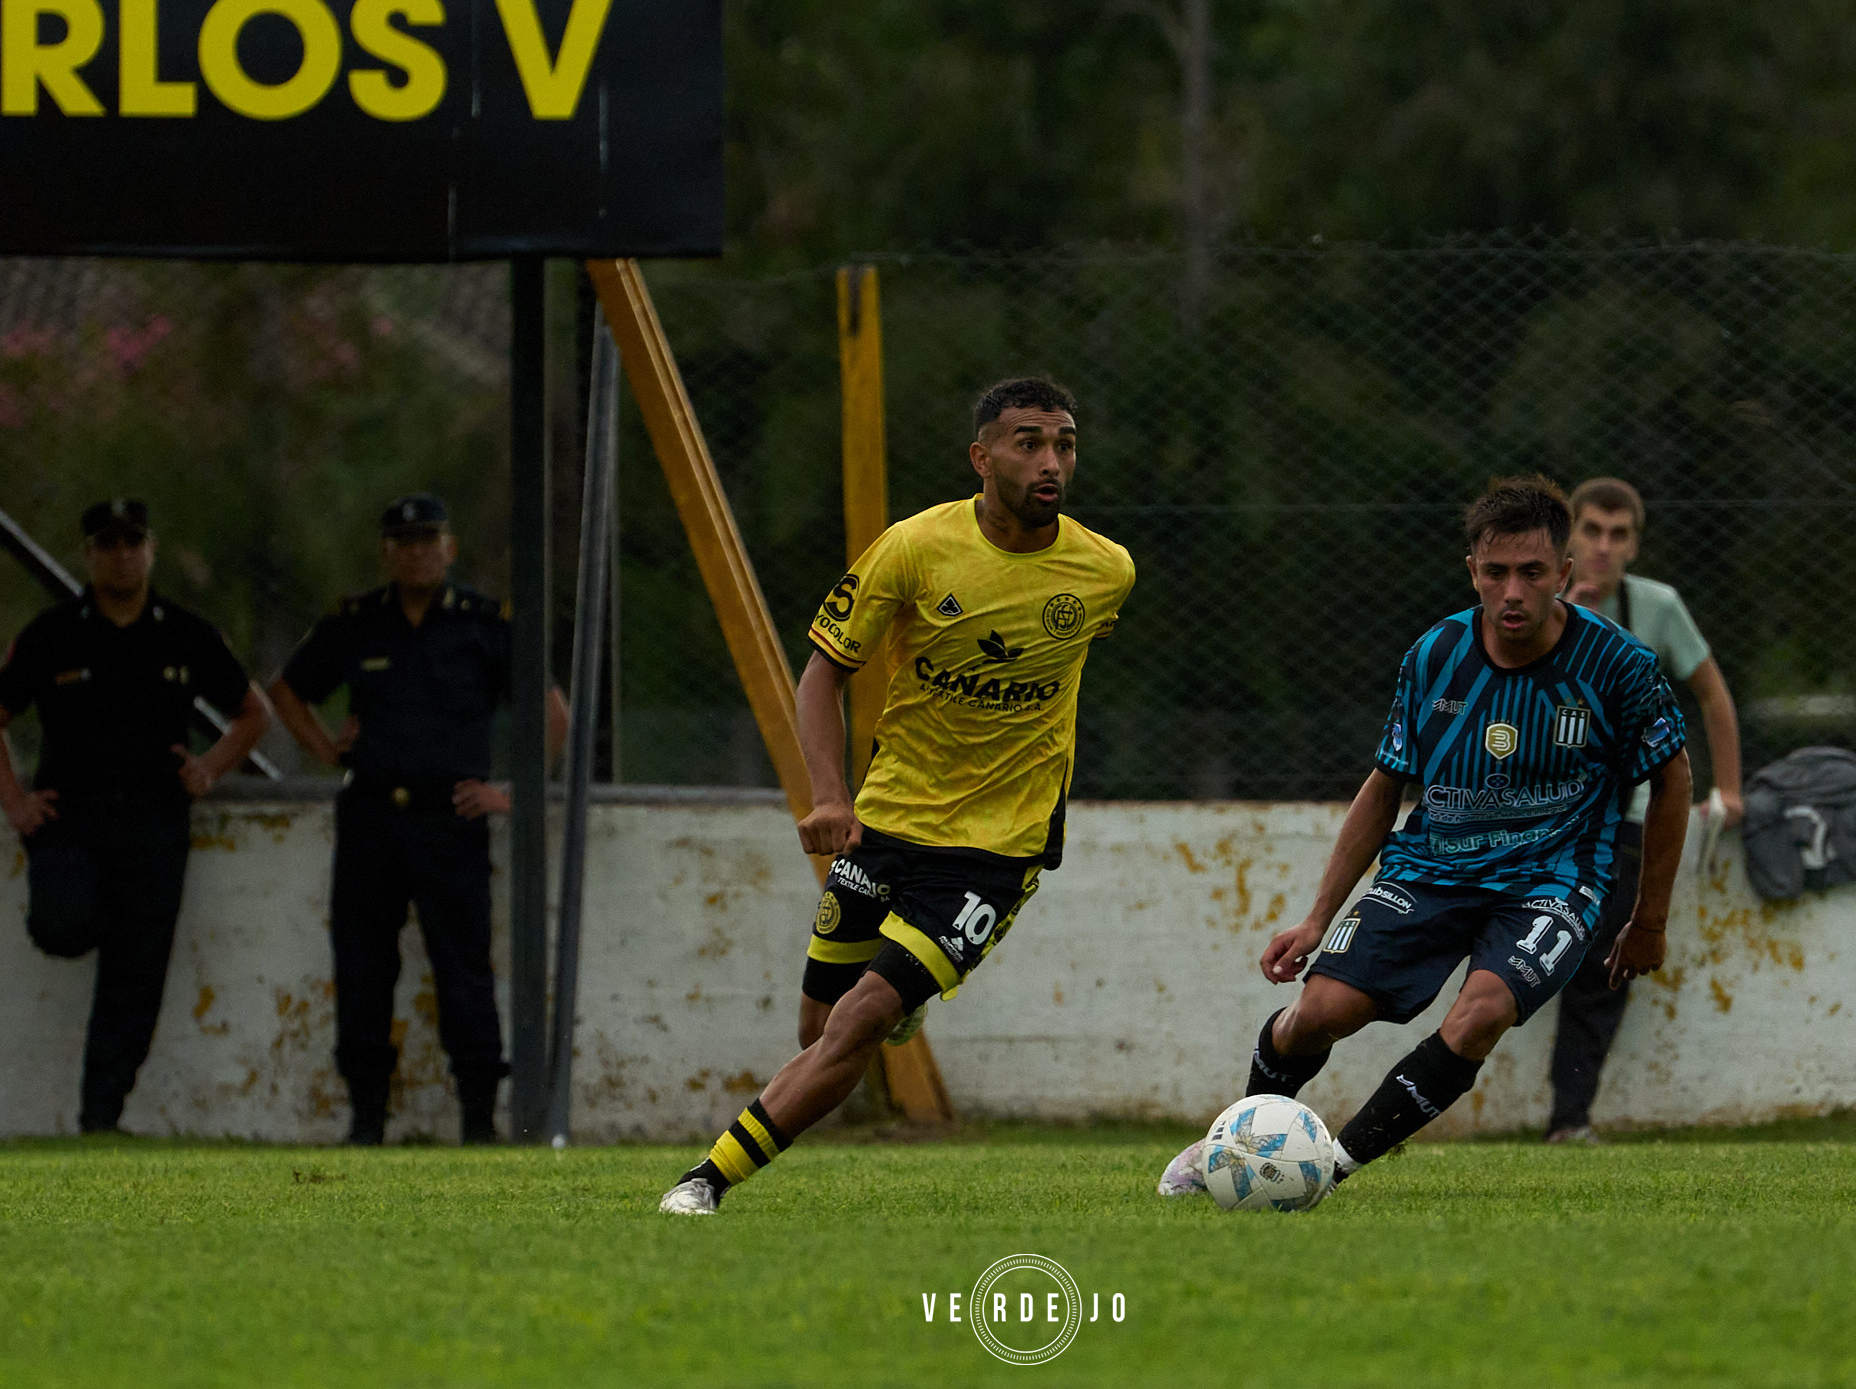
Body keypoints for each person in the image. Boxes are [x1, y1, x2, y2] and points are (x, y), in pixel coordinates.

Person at [658, 375, 1136, 1215]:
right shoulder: (912, 549)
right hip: (888, 820)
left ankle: (705, 1181)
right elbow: (823, 673)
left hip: (999, 847)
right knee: (818, 1028)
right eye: (1028, 443)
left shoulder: (1105, 571)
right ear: (981, 458)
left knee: (859, 1020)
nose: (1051, 462)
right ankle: (900, 1005)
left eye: (1064, 444)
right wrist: (831, 797)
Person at [1158, 476, 1690, 1197]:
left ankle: (1327, 1171)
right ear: (1472, 571)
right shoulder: (1434, 655)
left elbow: (1674, 778)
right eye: (1495, 572)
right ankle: (1236, 1142)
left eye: (1532, 573)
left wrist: (1649, 919)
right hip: (1431, 870)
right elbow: (1386, 784)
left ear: (1564, 574)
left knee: (1481, 1013)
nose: (1512, 592)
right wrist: (1316, 918)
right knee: (1318, 1013)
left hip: (1555, 879)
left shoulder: (1618, 664)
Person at [268, 494, 566, 1147]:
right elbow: (285, 691)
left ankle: (479, 1119)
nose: (417, 553)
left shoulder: (484, 624)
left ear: (450, 550)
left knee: (463, 968)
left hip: (449, 819)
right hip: (371, 816)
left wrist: (513, 795)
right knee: (363, 966)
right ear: (386, 554)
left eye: (429, 541)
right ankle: (366, 1119)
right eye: (404, 543)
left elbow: (552, 713)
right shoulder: (357, 623)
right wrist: (326, 750)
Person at [0, 498, 272, 1132]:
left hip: (154, 822)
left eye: (132, 543)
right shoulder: (52, 634)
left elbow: (254, 713)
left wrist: (210, 767)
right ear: (88, 555)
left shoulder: (185, 633)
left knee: (138, 974)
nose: (122, 556)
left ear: (150, 550)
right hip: (71, 818)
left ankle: (101, 1117)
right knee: (61, 924)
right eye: (108, 545)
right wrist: (14, 800)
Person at [1544, 476, 1743, 1144]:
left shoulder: (1657, 607)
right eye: (1592, 531)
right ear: (1569, 536)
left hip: (1627, 812)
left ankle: (1569, 1120)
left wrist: (1729, 789)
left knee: (1605, 961)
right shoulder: (1533, 603)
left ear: (1634, 544)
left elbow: (1712, 694)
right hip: (1537, 811)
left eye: (1618, 534)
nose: (1604, 546)